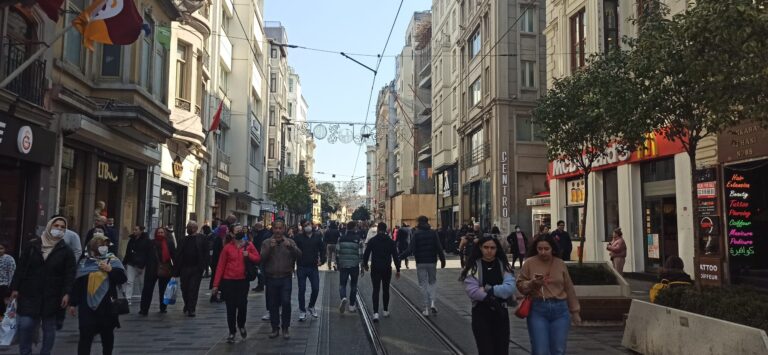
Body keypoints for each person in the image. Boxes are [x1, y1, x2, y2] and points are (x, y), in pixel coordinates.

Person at [11, 216, 76, 355]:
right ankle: (25, 351)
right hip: (29, 292)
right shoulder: (33, 246)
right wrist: (15, 288)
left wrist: (67, 293)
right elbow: (21, 268)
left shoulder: (66, 251)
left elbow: (69, 275)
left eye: (62, 227)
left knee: (49, 327)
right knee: (25, 324)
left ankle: (45, 352)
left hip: (52, 295)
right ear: (49, 226)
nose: (58, 229)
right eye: (56, 225)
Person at [517, 234, 581, 355]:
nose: (543, 252)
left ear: (553, 249)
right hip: (538, 308)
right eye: (540, 249)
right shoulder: (529, 263)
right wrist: (532, 283)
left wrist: (575, 311)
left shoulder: (560, 263)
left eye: (546, 249)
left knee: (558, 349)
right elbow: (520, 285)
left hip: (560, 310)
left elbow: (569, 287)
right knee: (540, 350)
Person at [68, 235, 127, 355]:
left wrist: (110, 270)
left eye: (106, 245)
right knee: (85, 335)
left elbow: (122, 278)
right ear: (93, 247)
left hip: (107, 306)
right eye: (101, 245)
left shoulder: (112, 260)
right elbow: (77, 283)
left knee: (107, 337)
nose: (104, 248)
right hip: (87, 306)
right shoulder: (84, 262)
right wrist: (73, 303)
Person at [460, 236, 516, 355]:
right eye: (486, 247)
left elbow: (509, 288)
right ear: (480, 248)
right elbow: (472, 291)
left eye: (492, 248)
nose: (489, 250)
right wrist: (491, 299)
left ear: (497, 249)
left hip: (501, 313)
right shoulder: (474, 267)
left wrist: (487, 289)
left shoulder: (503, 266)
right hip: (481, 313)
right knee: (485, 350)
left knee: (502, 350)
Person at [212, 226, 260, 343]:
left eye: (240, 230)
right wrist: (215, 285)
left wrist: (248, 255)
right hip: (228, 281)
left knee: (242, 305)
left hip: (243, 280)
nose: (239, 232)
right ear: (232, 234)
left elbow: (258, 259)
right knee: (231, 307)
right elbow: (220, 266)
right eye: (236, 231)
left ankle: (241, 324)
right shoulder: (227, 248)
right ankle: (232, 332)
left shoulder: (248, 245)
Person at [399, 216, 446, 316]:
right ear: (427, 222)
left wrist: (399, 257)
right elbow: (439, 247)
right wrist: (443, 260)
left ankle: (426, 308)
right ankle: (433, 303)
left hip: (420, 262)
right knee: (432, 282)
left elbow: (410, 249)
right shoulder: (433, 233)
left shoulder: (416, 234)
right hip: (432, 261)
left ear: (419, 223)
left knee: (423, 284)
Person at [261, 221, 300, 339]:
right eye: (276, 228)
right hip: (271, 278)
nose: (278, 231)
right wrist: (269, 249)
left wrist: (291, 247)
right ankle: (274, 328)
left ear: (284, 229)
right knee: (273, 304)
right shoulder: (266, 242)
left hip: (285, 277)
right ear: (272, 229)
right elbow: (261, 258)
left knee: (286, 302)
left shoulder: (290, 242)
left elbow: (299, 255)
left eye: (280, 228)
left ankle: (285, 328)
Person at [363, 222, 400, 322]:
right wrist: (398, 269)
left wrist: (365, 265)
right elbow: (395, 256)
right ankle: (385, 310)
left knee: (376, 290)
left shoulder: (372, 240)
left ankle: (375, 313)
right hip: (386, 268)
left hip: (375, 268)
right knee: (386, 289)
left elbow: (366, 254)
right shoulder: (390, 241)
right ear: (386, 229)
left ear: (378, 229)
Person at [139, 227, 176, 315]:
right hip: (151, 269)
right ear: (156, 233)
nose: (160, 234)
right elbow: (145, 255)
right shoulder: (151, 243)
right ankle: (144, 309)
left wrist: (175, 269)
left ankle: (163, 307)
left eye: (162, 232)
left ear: (165, 234)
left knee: (163, 290)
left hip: (165, 269)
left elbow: (174, 255)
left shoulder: (169, 243)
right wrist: (141, 266)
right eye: (158, 232)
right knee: (147, 289)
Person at [175, 220, 209, 317]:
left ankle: (191, 308)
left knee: (193, 289)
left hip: (196, 268)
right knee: (184, 288)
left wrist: (204, 267)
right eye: (188, 227)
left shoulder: (202, 239)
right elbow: (178, 254)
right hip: (184, 268)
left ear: (195, 228)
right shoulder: (183, 240)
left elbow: (206, 253)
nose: (189, 229)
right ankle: (187, 303)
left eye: (191, 227)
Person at [295, 222, 325, 321]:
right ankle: (302, 311)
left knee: (316, 288)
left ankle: (311, 306)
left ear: (312, 226)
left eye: (308, 225)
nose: (307, 227)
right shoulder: (298, 237)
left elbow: (322, 249)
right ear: (303, 227)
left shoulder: (317, 237)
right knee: (301, 289)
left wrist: (322, 259)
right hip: (301, 266)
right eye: (305, 225)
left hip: (313, 267)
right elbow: (293, 250)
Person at [123, 225, 151, 304]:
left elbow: (147, 254)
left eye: (136, 230)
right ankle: (128, 298)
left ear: (141, 231)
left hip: (141, 265)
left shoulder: (146, 240)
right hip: (131, 263)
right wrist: (124, 262)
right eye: (134, 229)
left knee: (141, 283)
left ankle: (144, 298)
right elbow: (127, 252)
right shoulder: (131, 239)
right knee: (129, 281)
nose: (134, 231)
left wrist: (142, 266)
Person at [210, 225, 229, 302]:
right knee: (217, 279)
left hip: (218, 262)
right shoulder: (218, 239)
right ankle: (214, 296)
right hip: (217, 263)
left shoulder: (223, 239)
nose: (227, 231)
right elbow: (218, 253)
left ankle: (217, 295)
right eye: (226, 229)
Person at [251, 222, 272, 292]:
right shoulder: (265, 233)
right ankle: (261, 284)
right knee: (260, 270)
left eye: (255, 227)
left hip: (260, 254)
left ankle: (261, 285)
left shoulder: (261, 234)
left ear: (257, 227)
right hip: (261, 254)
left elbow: (258, 244)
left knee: (260, 271)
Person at [0, 243, 16, 317]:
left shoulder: (9, 259)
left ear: (5, 249)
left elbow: (12, 273)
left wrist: (10, 288)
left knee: (2, 305)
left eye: (1, 248)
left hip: (4, 285)